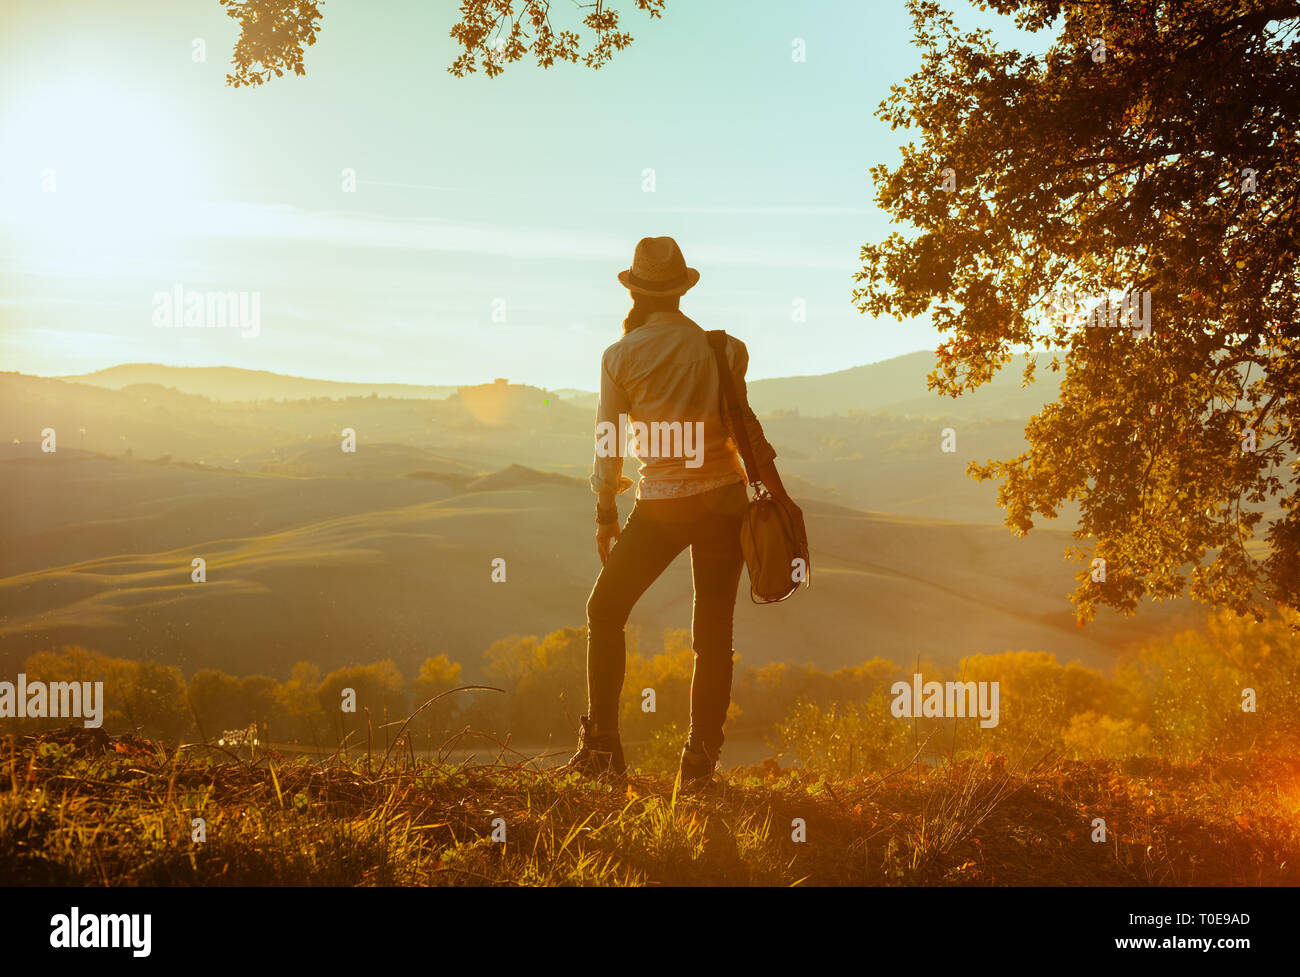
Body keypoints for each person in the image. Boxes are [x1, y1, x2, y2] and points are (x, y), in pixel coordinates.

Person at [564, 236, 800, 789]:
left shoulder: (619, 356)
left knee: (604, 612)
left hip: (663, 505)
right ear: (680, 289)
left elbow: (608, 441)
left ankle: (602, 749)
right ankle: (700, 762)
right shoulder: (725, 350)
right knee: (713, 633)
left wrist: (605, 512)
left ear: (636, 290)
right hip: (723, 500)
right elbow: (746, 431)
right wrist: (780, 499)